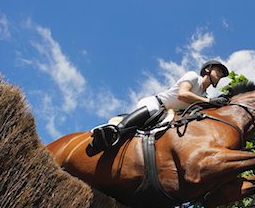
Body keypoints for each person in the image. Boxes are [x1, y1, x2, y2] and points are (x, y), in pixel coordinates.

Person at [90, 60, 230, 150]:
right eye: (219, 71)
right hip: (157, 104)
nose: (221, 75)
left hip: (168, 116)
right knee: (152, 109)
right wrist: (210, 102)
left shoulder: (205, 96)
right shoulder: (193, 77)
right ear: (207, 69)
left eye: (222, 74)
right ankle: (112, 132)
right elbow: (183, 94)